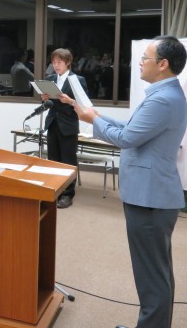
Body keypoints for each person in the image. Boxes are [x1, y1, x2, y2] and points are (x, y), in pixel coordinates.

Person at [70, 36, 187, 328]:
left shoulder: (162, 99)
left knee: (152, 276)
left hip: (150, 198)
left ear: (163, 64)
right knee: (157, 272)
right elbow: (134, 128)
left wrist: (92, 120)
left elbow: (126, 138)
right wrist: (98, 116)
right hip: (152, 195)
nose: (140, 62)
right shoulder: (166, 94)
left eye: (145, 58)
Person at [41, 48, 87, 209]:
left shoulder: (77, 80)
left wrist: (70, 101)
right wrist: (44, 99)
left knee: (68, 160)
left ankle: (68, 194)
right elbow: (48, 104)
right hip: (53, 123)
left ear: (68, 62)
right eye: (53, 62)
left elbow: (84, 104)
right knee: (53, 159)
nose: (55, 65)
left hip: (68, 124)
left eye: (59, 62)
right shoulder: (50, 79)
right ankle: (55, 191)